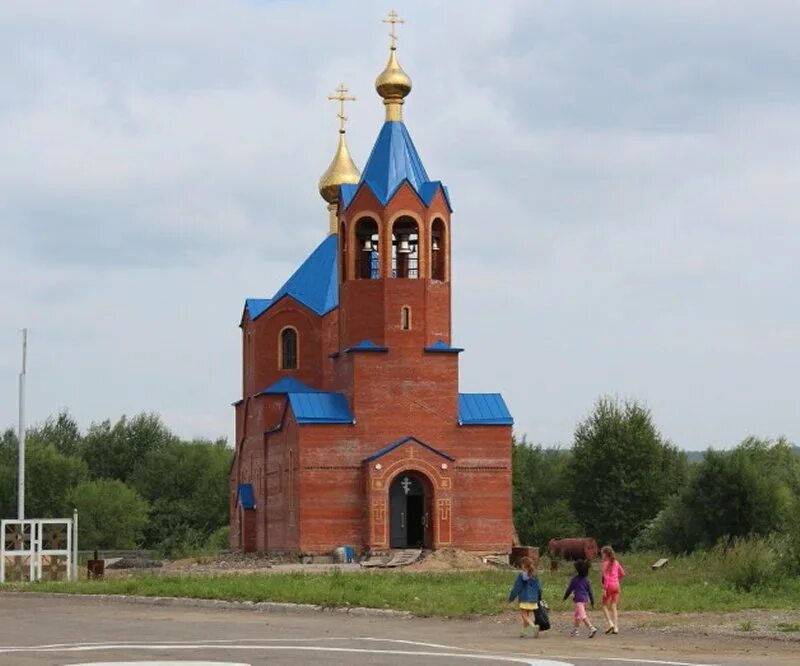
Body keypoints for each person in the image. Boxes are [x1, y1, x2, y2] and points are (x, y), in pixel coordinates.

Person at [508, 556, 542, 638]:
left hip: (524, 598)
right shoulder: (535, 575)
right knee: (527, 615)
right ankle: (524, 632)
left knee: (524, 615)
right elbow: (539, 588)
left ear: (523, 565)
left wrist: (511, 598)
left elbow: (517, 588)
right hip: (533, 599)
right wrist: (539, 597)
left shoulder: (521, 575)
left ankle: (533, 627)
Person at [563, 559, 598, 638]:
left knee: (582, 615)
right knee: (577, 615)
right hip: (585, 599)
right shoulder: (586, 580)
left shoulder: (574, 579)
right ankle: (575, 630)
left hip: (579, 600)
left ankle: (591, 628)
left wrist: (565, 597)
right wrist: (592, 602)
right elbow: (590, 592)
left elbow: (569, 589)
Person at [600, 545, 626, 634]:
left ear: (605, 554)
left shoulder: (605, 564)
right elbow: (622, 574)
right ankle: (616, 627)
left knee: (603, 605)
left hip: (608, 586)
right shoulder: (616, 562)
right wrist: (616, 579)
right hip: (616, 585)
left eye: (602, 554)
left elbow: (605, 577)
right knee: (614, 606)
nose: (601, 555)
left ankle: (610, 623)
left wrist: (604, 588)